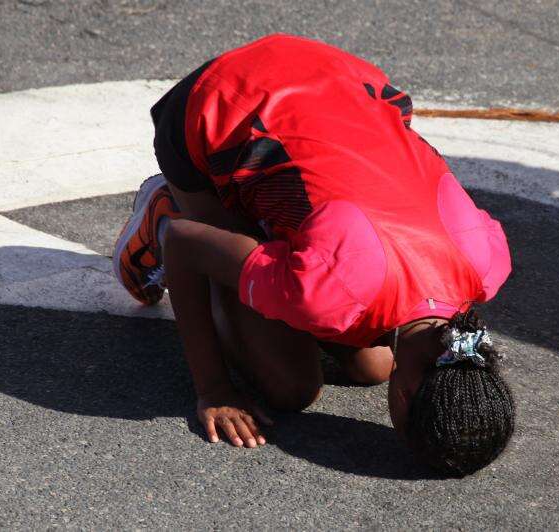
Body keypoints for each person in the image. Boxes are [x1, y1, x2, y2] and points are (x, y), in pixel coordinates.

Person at [113, 34, 515, 477]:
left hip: (341, 75)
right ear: (402, 403)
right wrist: (213, 388)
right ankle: (163, 208)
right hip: (221, 101)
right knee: (289, 386)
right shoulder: (334, 290)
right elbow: (187, 245)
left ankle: (271, 239)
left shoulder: (485, 264)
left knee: (373, 365)